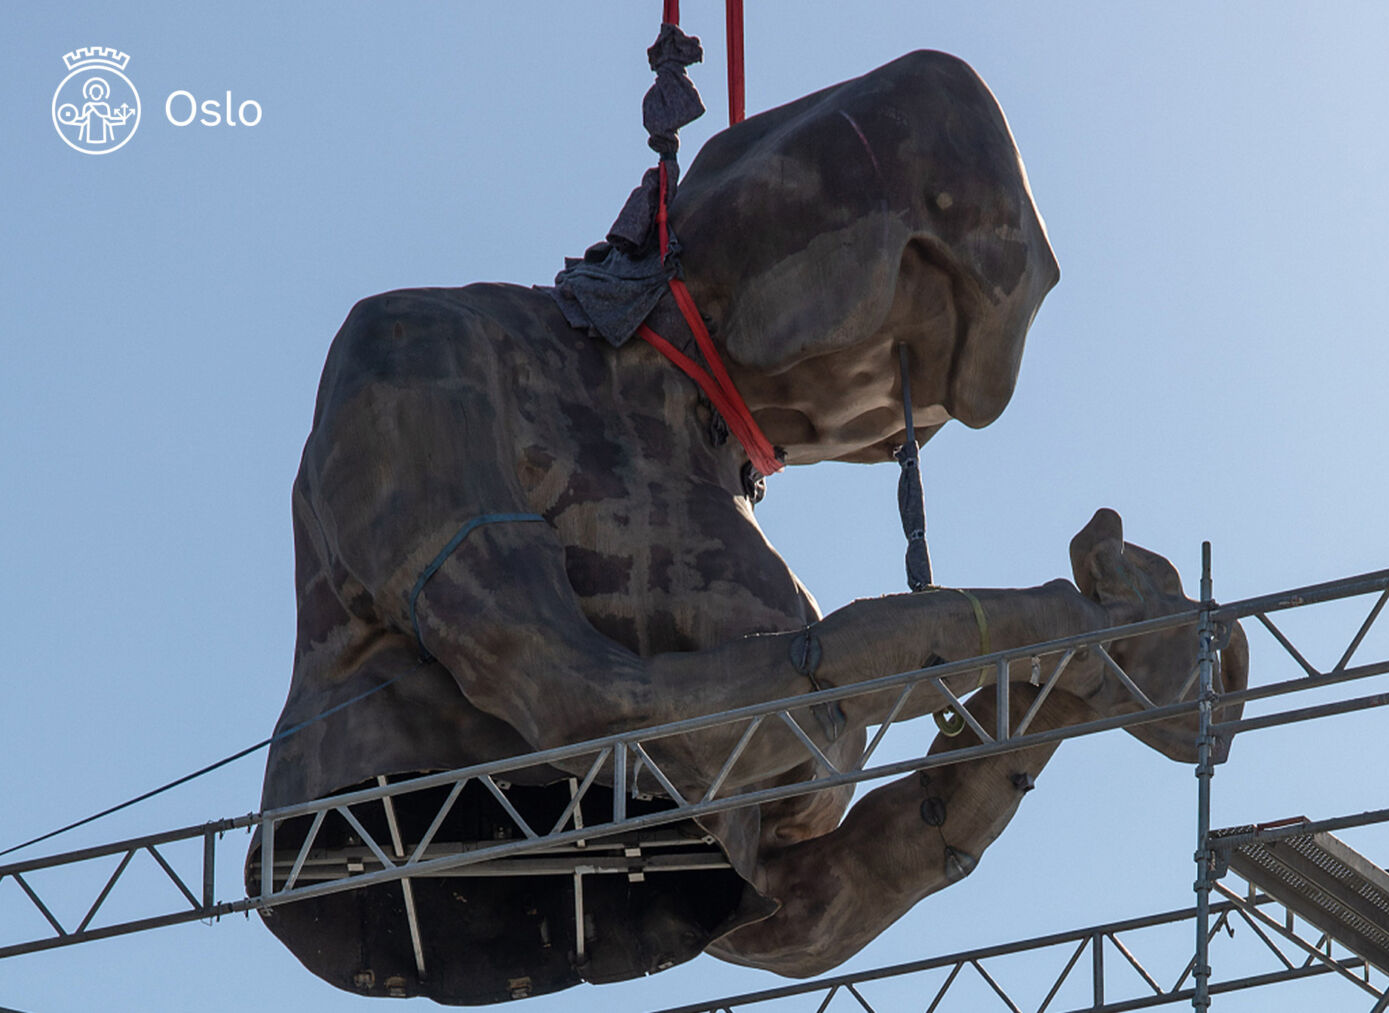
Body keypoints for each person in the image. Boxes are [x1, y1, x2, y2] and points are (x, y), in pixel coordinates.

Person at [253, 50, 1246, 1004]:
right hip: (391, 824)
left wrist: (1066, 692)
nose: (881, 432)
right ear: (850, 272)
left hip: (586, 891)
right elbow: (589, 703)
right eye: (905, 372)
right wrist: (1041, 637)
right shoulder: (439, 351)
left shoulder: (764, 590)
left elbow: (807, 911)